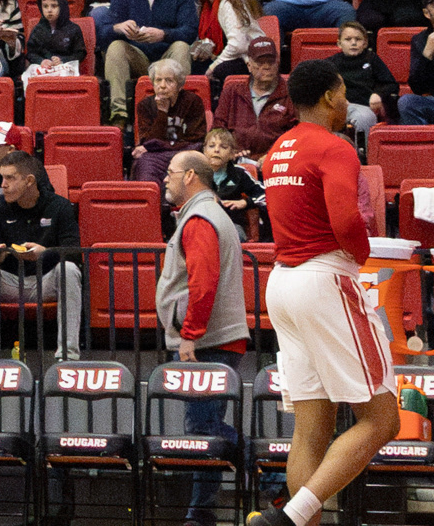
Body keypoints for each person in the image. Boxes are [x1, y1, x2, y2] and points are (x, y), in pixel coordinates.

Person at [247, 58, 400, 526]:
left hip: (282, 283)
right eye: (343, 93)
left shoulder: (277, 150)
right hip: (323, 278)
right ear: (331, 96)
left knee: (311, 430)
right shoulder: (335, 147)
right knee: (382, 420)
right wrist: (361, 255)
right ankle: (288, 518)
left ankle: (294, 521)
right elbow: (346, 220)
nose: (346, 101)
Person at [157, 150, 248, 526]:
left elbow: (203, 282)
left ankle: (269, 469)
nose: (165, 178)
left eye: (171, 172)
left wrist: (189, 335)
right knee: (203, 428)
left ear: (191, 176)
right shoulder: (205, 214)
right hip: (214, 339)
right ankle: (203, 511)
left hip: (209, 341)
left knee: (202, 430)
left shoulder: (200, 219)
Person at [0, 149, 82, 359]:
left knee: (69, 270)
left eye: (10, 178)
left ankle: (68, 354)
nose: (3, 185)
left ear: (29, 180)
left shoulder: (59, 206)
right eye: (2, 178)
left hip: (45, 281)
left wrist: (44, 253)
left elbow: (74, 253)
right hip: (8, 280)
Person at [102, 0, 197, 125]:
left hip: (166, 56)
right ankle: (119, 114)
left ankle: (178, 109)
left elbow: (190, 31)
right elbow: (103, 33)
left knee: (182, 46)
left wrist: (164, 34)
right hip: (137, 57)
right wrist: (118, 28)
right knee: (115, 47)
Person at [213, 37, 297, 156]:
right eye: (260, 62)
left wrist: (273, 155)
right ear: (249, 65)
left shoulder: (292, 93)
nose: (266, 66)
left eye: (271, 61)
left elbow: (298, 134)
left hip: (278, 158)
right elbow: (218, 129)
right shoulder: (231, 92)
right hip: (236, 159)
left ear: (278, 63)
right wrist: (230, 152)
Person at [189, 0, 264, 92]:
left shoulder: (229, 4)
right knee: (197, 65)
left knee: (220, 70)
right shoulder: (207, 6)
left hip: (250, 59)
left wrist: (213, 66)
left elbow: (238, 45)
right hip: (235, 55)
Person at [132, 59, 206, 186]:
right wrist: (162, 112)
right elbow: (148, 141)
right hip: (156, 156)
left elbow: (196, 140)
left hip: (185, 152)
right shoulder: (145, 105)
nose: (162, 86)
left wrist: (157, 145)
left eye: (169, 81)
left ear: (179, 85)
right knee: (144, 163)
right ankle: (152, 198)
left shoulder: (193, 102)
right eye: (158, 80)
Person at [331, 20, 398, 137]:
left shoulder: (372, 59)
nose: (353, 43)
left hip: (364, 107)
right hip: (339, 106)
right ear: (339, 43)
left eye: (358, 39)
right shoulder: (330, 63)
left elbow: (391, 84)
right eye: (348, 39)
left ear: (365, 43)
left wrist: (378, 94)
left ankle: (363, 149)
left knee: (364, 117)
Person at [201, 125, 264, 229]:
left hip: (231, 225)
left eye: (223, 147)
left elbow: (265, 195)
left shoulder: (239, 173)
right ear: (204, 150)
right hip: (201, 224)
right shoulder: (195, 173)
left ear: (232, 154)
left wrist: (245, 202)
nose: (216, 150)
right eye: (211, 146)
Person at [24, 0, 87, 78]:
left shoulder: (73, 29)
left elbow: (80, 53)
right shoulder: (38, 29)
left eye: (54, 6)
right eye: (45, 6)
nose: (49, 10)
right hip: (42, 67)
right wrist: (41, 61)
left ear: (62, 7)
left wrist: (62, 60)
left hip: (65, 66)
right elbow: (31, 53)